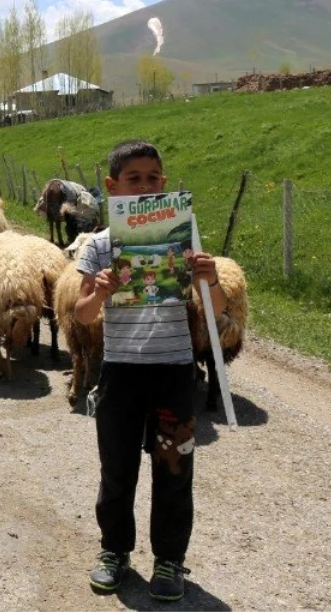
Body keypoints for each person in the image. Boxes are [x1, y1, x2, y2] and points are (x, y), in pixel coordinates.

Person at [74, 140, 226, 603]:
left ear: (164, 182)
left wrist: (210, 278)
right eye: (133, 179)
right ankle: (114, 551)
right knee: (116, 468)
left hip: (175, 372)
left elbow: (215, 312)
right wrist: (99, 292)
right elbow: (81, 314)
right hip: (121, 373)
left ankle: (169, 560)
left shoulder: (184, 237)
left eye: (152, 178)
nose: (143, 185)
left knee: (173, 469)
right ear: (111, 187)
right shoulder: (100, 246)